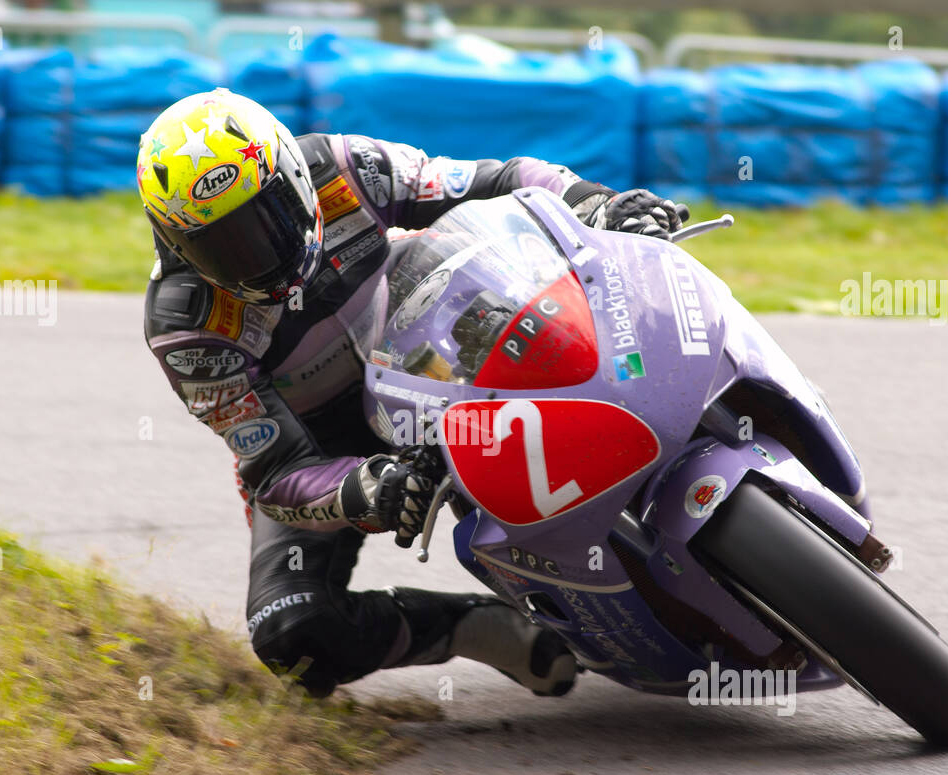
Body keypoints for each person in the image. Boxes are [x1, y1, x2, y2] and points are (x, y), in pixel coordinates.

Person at [138, 88, 686, 698]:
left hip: (434, 344)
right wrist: (369, 489)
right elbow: (275, 473)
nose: (257, 257)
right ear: (175, 242)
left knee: (572, 328)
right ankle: (477, 629)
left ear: (295, 178)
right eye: (224, 244)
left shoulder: (345, 167)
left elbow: (498, 179)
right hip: (324, 444)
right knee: (291, 634)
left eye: (267, 220)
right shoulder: (184, 325)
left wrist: (599, 204)